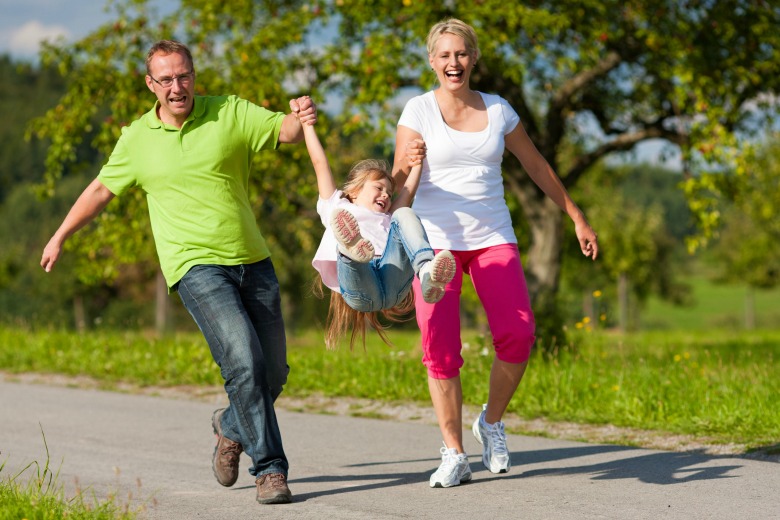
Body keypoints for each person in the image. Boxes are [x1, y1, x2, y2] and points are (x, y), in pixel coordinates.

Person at [39, 40, 317, 505]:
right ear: (150, 84)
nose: (176, 86)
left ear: (194, 75)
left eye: (183, 75)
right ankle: (269, 470)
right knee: (243, 361)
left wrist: (302, 113)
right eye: (165, 79)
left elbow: (285, 131)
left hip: (253, 259)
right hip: (194, 267)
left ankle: (230, 427)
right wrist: (61, 234)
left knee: (273, 373)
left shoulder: (228, 111)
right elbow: (101, 190)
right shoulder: (137, 138)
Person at [393, 19, 599, 488]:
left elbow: (537, 165)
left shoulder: (500, 110)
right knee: (440, 348)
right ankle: (453, 453)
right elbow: (400, 196)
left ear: (474, 58)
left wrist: (576, 216)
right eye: (444, 55)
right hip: (433, 244)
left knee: (519, 334)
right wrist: (414, 165)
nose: (454, 63)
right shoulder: (416, 112)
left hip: (491, 237)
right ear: (431, 61)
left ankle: (490, 422)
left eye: (461, 54)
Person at [301, 114, 456, 349]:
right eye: (379, 188)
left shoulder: (389, 217)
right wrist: (307, 124)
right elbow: (319, 163)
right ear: (354, 191)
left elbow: (409, 191)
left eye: (389, 192)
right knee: (348, 244)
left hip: (393, 284)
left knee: (405, 214)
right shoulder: (337, 205)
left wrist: (418, 163)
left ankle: (426, 273)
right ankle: (352, 250)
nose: (385, 194)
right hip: (360, 289)